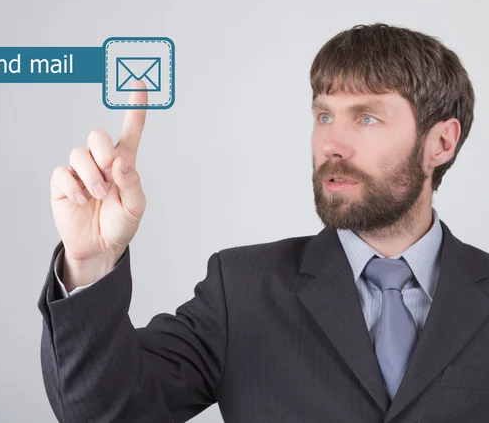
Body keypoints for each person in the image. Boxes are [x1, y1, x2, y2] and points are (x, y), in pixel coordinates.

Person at [37, 23, 489, 423]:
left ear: (441, 143)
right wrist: (92, 263)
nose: (331, 143)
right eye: (324, 115)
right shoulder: (240, 291)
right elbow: (106, 413)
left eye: (366, 118)